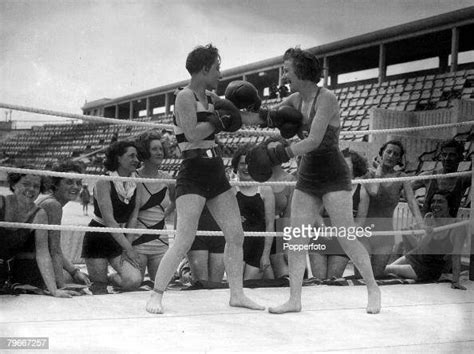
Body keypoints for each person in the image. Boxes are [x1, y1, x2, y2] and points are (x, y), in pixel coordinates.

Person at [239, 47, 381, 313]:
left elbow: (314, 140)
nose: (284, 75)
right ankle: (294, 299)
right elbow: (267, 118)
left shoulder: (326, 98)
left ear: (302, 72)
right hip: (308, 173)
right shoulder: (295, 99)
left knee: (346, 236)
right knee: (297, 238)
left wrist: (280, 153)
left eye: (288, 70)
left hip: (333, 173)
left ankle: (373, 288)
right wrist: (232, 113)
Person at [146, 44, 264, 314]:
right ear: (204, 69)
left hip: (215, 168)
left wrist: (267, 115)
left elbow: (240, 118)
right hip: (193, 169)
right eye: (217, 68)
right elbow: (191, 133)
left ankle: (236, 294)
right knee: (184, 239)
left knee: (235, 235)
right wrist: (219, 121)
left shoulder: (212, 98)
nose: (221, 73)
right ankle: (156, 294)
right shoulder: (184, 97)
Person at [0, 170, 77, 297]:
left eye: (36, 186)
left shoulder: (39, 215)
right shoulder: (1, 203)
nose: (31, 189)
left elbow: (43, 254)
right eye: (26, 184)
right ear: (14, 185)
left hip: (6, 272)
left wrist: (54, 290)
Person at [81, 141, 142, 294]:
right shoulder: (104, 181)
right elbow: (109, 220)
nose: (136, 159)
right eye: (131, 156)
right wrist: (128, 249)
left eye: (137, 156)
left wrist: (127, 246)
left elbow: (133, 218)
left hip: (119, 236)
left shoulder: (137, 182)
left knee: (134, 281)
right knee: (99, 286)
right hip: (98, 236)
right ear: (118, 158)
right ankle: (85, 276)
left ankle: (113, 278)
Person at [361, 140, 425, 278]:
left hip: (385, 233)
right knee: (362, 276)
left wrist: (421, 223)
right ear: (381, 153)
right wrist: (378, 170)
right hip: (364, 231)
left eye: (396, 154)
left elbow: (412, 202)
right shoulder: (369, 174)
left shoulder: (401, 178)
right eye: (388, 152)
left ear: (399, 159)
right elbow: (373, 191)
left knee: (377, 276)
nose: (391, 156)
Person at [385, 190, 467, 290]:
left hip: (428, 269)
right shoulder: (429, 218)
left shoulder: (457, 226)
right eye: (433, 201)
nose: (435, 205)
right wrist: (427, 234)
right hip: (415, 258)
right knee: (381, 270)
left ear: (449, 205)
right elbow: (420, 248)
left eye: (440, 201)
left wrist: (455, 281)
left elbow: (456, 256)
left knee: (385, 269)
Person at [309, 149, 370, 279]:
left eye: (346, 164)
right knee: (318, 279)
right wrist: (323, 228)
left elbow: (360, 222)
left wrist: (343, 232)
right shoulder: (326, 186)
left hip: (343, 239)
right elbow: (315, 213)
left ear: (355, 168)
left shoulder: (362, 191)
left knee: (333, 279)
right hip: (321, 235)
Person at [128, 130, 176, 283]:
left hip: (161, 242)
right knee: (134, 287)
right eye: (154, 149)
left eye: (161, 149)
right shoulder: (133, 176)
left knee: (163, 286)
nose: (159, 152)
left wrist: (163, 216)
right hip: (137, 242)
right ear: (144, 151)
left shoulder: (168, 179)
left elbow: (175, 202)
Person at [36, 161, 91, 289]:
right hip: (32, 265)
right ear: (56, 184)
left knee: (78, 276)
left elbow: (54, 249)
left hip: (31, 262)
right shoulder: (53, 205)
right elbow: (54, 250)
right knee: (82, 281)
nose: (76, 187)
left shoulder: (48, 200)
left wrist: (74, 270)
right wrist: (61, 285)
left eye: (78, 183)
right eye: (69, 182)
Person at [231, 145, 275, 280]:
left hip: (258, 247)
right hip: (238, 246)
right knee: (236, 285)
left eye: (250, 164)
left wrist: (266, 255)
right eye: (243, 164)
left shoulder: (265, 190)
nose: (246, 167)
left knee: (248, 285)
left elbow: (270, 225)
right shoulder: (231, 190)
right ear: (236, 167)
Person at [412, 139, 470, 217]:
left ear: (460, 158)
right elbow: (404, 189)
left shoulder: (463, 179)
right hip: (427, 225)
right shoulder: (429, 176)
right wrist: (415, 204)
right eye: (444, 155)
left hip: (448, 226)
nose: (447, 158)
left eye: (452, 155)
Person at [265, 138, 295, 279]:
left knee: (284, 277)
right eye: (269, 150)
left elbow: (288, 217)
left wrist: (286, 247)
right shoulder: (256, 177)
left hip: (279, 234)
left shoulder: (290, 181)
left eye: (276, 151)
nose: (273, 154)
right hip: (258, 231)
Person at [188, 205, 226, 283]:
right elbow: (178, 205)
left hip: (220, 231)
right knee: (200, 283)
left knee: (216, 284)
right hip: (196, 231)